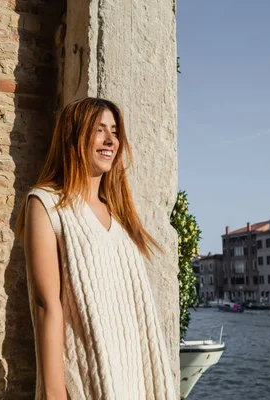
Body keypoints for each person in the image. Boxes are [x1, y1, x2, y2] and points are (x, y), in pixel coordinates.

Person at [16, 97, 176, 399]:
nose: (110, 140)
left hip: (133, 375)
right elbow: (46, 305)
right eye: (99, 129)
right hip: (86, 376)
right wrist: (53, 394)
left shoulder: (119, 213)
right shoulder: (46, 204)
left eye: (115, 131)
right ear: (73, 136)